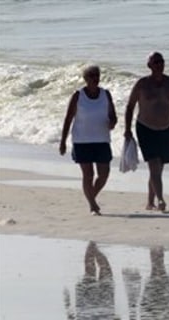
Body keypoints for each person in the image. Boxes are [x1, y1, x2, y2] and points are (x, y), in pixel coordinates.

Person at [124, 51, 169, 212]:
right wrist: (127, 129)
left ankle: (150, 202)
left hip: (165, 129)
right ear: (149, 65)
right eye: (156, 62)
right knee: (154, 165)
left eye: (161, 61)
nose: (159, 65)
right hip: (145, 128)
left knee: (158, 168)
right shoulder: (142, 84)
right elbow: (130, 106)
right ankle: (161, 200)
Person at [59, 65, 117, 215]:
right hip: (82, 141)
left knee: (104, 174)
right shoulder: (78, 96)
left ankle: (91, 197)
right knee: (88, 175)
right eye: (91, 76)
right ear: (85, 79)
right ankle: (92, 204)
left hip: (102, 140)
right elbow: (68, 119)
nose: (95, 79)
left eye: (97, 75)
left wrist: (112, 122)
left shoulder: (106, 94)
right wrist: (63, 141)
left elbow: (113, 116)